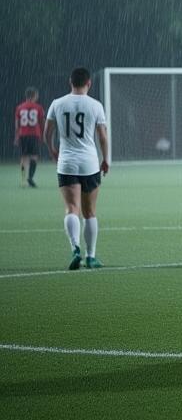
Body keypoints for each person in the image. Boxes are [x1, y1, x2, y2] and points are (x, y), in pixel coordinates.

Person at [43, 67, 109, 270]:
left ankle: (75, 249)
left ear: (70, 82)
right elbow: (102, 136)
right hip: (89, 163)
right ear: (89, 83)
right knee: (90, 212)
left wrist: (52, 150)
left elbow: (47, 132)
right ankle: (91, 257)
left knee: (72, 208)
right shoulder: (95, 105)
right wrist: (105, 159)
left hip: (67, 162)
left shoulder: (57, 103)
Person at [14, 87, 46, 187]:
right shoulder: (38, 107)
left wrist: (16, 137)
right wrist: (44, 134)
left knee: (24, 157)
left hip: (23, 135)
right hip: (34, 135)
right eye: (36, 95)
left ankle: (23, 180)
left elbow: (17, 124)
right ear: (34, 95)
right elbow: (42, 122)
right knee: (34, 157)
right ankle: (30, 178)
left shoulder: (19, 107)